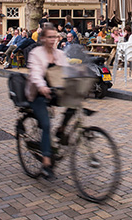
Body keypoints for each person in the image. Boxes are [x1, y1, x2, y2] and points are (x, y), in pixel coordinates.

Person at [25, 23, 75, 180]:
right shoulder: (36, 54)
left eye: (55, 37)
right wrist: (42, 87)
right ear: (42, 38)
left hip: (54, 92)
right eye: (49, 37)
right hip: (38, 94)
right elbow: (35, 73)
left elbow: (66, 71)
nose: (53, 39)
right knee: (46, 124)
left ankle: (62, 129)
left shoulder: (59, 54)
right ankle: (46, 162)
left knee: (75, 102)